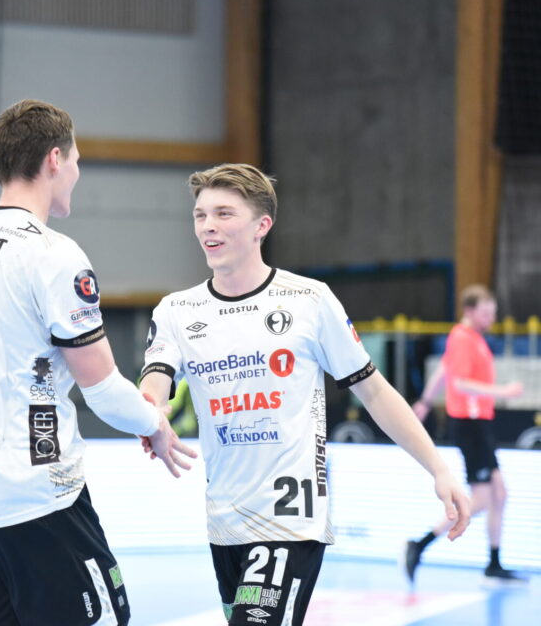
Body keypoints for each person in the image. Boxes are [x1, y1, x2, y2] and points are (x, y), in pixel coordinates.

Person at [139, 163, 470, 626]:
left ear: (262, 226)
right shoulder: (176, 310)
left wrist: (438, 468)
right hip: (223, 519)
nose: (208, 225)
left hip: (290, 519)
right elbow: (156, 379)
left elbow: (375, 392)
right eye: (200, 215)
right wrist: (151, 414)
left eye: (223, 214)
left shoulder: (309, 300)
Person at [0, 99, 194, 626]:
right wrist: (155, 423)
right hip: (36, 496)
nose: (76, 173)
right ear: (53, 159)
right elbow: (103, 389)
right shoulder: (52, 253)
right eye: (75, 160)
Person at [406, 284, 527, 585]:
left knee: (499, 494)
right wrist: (503, 392)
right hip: (470, 424)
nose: (491, 318)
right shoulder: (462, 338)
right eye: (485, 313)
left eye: (492, 313)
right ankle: (419, 545)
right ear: (470, 311)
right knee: (483, 498)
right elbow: (459, 383)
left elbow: (443, 371)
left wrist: (425, 401)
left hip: (479, 423)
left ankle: (494, 563)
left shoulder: (470, 339)